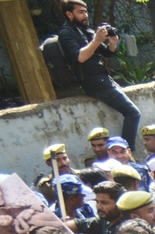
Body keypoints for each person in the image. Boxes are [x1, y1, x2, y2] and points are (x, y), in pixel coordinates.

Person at [58, 1, 141, 149]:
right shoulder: (67, 33)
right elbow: (80, 57)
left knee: (132, 112)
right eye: (81, 12)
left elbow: (108, 53)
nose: (85, 15)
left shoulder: (86, 31)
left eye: (86, 11)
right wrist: (96, 40)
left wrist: (112, 42)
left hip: (103, 78)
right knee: (133, 113)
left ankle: (123, 152)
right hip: (93, 81)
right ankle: (125, 152)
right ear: (69, 14)